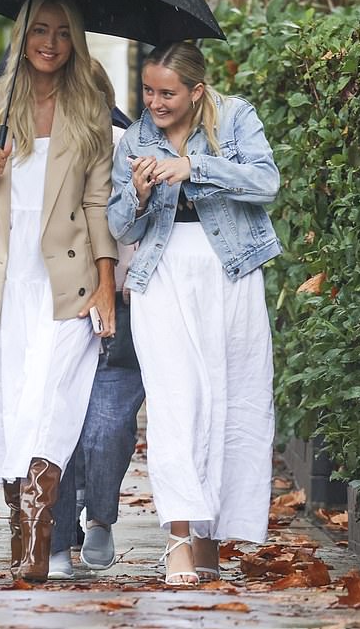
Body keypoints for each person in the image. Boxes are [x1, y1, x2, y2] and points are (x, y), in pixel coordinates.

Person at [0, 0, 117, 583]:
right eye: (39, 30)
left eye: (63, 33)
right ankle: (21, 542)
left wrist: (104, 282)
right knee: (9, 405)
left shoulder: (90, 100)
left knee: (53, 402)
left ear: (76, 41)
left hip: (63, 282)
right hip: (0, 277)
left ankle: (42, 544)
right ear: (21, 33)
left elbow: (97, 200)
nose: (49, 43)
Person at [107, 41, 281, 585]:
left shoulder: (235, 117)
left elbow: (266, 183)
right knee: (174, 404)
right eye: (148, 90)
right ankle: (179, 540)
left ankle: (209, 538)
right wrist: (135, 196)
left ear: (197, 90)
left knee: (232, 399)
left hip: (229, 272)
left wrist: (193, 167)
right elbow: (120, 227)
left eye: (168, 93)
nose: (154, 102)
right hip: (161, 277)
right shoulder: (135, 138)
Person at [48, 59, 145, 580]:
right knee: (57, 425)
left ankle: (100, 515)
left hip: (119, 308)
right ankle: (56, 541)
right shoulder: (37, 148)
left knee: (106, 425)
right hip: (58, 304)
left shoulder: (127, 145)